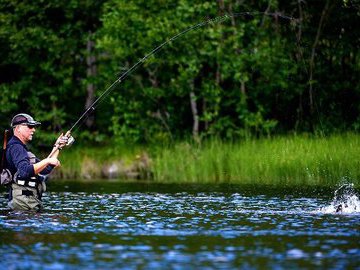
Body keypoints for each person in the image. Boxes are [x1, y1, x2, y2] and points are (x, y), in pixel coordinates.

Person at [6, 113, 70, 211]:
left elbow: (46, 169)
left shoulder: (21, 148)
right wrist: (47, 160)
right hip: (21, 206)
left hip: (28, 203)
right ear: (18, 128)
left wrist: (58, 146)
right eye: (30, 126)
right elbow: (25, 171)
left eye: (34, 127)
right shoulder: (16, 147)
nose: (33, 130)